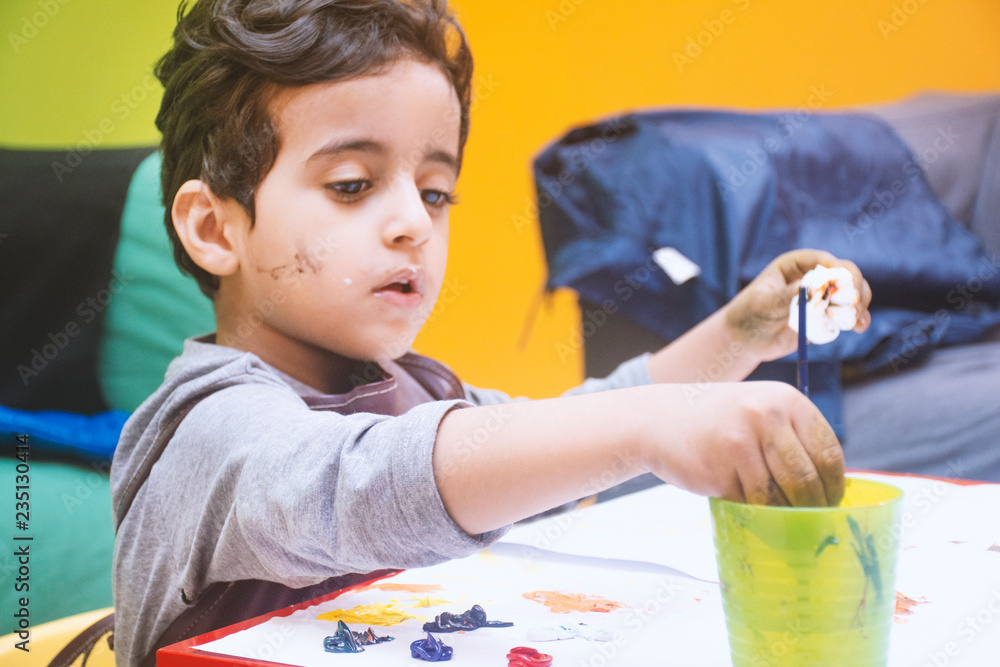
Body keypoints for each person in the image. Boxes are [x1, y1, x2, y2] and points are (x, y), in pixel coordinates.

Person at [110, 0, 872, 665]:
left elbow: (560, 436)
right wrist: (647, 425)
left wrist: (739, 333)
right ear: (215, 227)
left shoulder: (417, 389)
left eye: (435, 191)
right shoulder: (211, 432)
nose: (414, 222)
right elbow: (358, 483)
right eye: (352, 185)